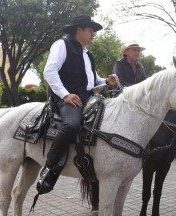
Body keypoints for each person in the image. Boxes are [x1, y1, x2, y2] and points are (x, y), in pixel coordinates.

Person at [37, 15, 118, 194]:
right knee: (71, 124)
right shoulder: (62, 45)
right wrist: (65, 95)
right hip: (66, 97)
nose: (94, 34)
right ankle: (49, 169)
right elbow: (49, 71)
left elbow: (93, 80)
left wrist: (107, 80)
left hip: (87, 98)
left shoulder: (87, 54)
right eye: (91, 30)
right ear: (79, 30)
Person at [90, 40, 146, 211]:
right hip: (120, 102)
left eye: (138, 49)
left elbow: (144, 86)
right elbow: (120, 85)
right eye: (134, 49)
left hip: (136, 105)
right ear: (126, 52)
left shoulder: (141, 67)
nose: (137, 52)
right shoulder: (119, 65)